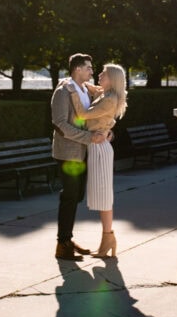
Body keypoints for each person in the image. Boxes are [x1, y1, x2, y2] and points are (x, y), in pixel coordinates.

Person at [51, 53, 108, 261]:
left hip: (83, 151)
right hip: (68, 152)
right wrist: (88, 137)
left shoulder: (85, 90)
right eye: (88, 68)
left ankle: (66, 239)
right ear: (77, 69)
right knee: (70, 195)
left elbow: (92, 118)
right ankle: (62, 243)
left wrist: (104, 131)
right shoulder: (63, 91)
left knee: (77, 195)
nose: (92, 71)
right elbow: (59, 123)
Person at [71, 62, 128, 258]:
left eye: (103, 74)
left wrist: (72, 92)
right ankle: (107, 239)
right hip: (96, 146)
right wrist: (87, 86)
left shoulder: (110, 99)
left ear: (112, 79)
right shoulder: (105, 95)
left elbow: (83, 115)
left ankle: (108, 238)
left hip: (100, 149)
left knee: (104, 196)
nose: (99, 76)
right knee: (101, 196)